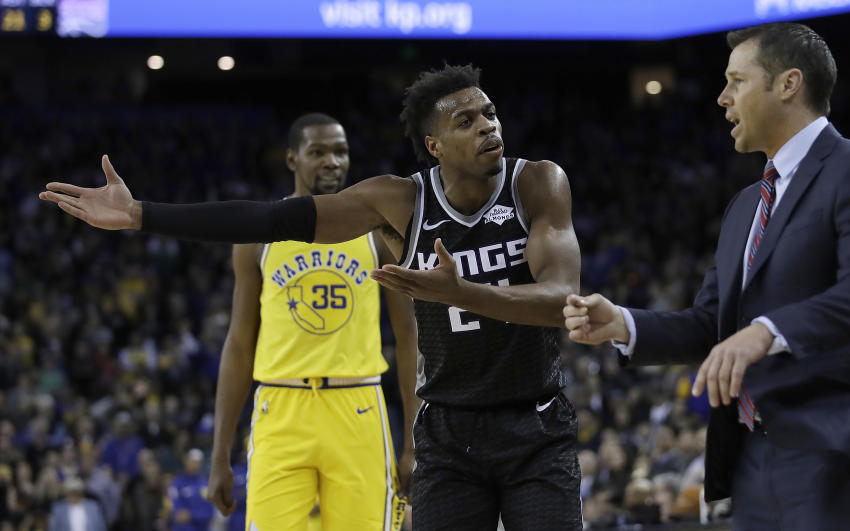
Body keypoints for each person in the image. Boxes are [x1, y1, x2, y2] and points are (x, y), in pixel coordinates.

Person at [39, 64, 583, 530]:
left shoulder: (537, 183)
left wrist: (462, 292)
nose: (487, 126)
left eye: (489, 113)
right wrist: (141, 215)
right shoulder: (396, 202)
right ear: (434, 145)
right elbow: (268, 218)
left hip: (530, 421)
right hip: (443, 428)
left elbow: (561, 298)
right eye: (466, 120)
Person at [563, 23, 850, 530]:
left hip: (841, 455)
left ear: (788, 83)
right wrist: (623, 323)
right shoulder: (746, 205)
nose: (722, 98)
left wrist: (766, 332)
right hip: (752, 458)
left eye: (737, 81)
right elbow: (712, 326)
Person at [204, 112, 419, 531]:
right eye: (317, 152)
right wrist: (219, 455)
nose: (331, 162)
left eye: (340, 152)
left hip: (357, 406)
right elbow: (239, 343)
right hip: (279, 408)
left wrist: (414, 439)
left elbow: (409, 336)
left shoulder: (378, 232)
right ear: (292, 160)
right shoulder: (258, 234)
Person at [168, 448, 214, 531]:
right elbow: (174, 508)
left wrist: (191, 515)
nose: (195, 465)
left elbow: (209, 512)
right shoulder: (177, 483)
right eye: (192, 461)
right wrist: (179, 514)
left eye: (197, 463)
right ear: (186, 461)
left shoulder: (205, 484)